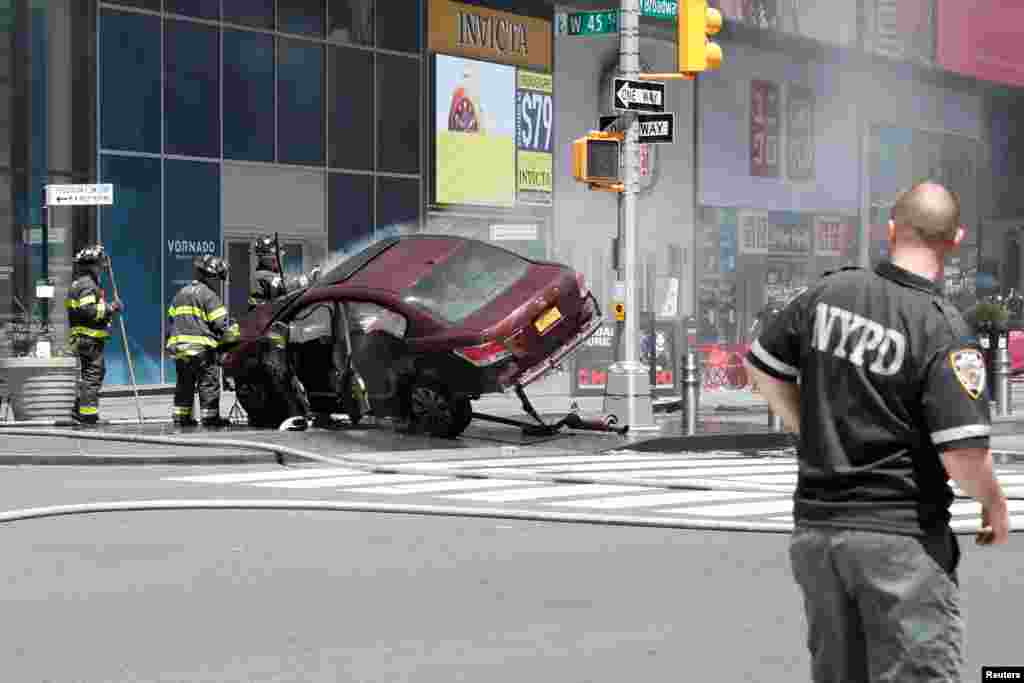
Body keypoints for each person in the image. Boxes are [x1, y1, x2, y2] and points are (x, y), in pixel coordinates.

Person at [743, 181, 1010, 682]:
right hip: (899, 537)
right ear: (955, 241)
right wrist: (994, 505)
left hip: (817, 535)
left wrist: (806, 430)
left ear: (891, 230)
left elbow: (763, 366)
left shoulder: (827, 293)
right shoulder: (943, 330)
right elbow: (963, 455)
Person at [166, 255, 240, 427]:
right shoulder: (209, 296)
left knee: (184, 385)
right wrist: (235, 333)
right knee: (208, 384)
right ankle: (210, 419)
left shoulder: (181, 293)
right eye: (217, 278)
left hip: (180, 350)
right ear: (211, 276)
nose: (218, 282)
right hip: (202, 351)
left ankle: (181, 419)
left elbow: (171, 321)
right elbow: (221, 325)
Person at [65, 244, 122, 425]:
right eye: (99, 265)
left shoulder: (80, 283)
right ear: (92, 265)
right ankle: (88, 415)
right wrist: (110, 308)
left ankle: (78, 410)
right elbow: (88, 310)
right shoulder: (88, 285)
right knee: (93, 374)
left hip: (84, 339)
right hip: (88, 339)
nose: (101, 268)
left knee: (92, 374)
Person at [248, 235, 320, 311]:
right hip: (267, 316)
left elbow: (289, 283)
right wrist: (310, 277)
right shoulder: (262, 275)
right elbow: (287, 287)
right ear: (264, 259)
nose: (276, 262)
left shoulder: (271, 274)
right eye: (274, 259)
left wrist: (309, 277)